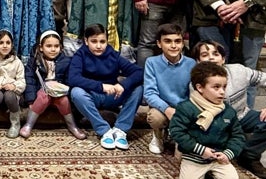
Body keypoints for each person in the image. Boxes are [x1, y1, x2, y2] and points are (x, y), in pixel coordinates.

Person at [192, 41, 266, 179]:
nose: (211, 58)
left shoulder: (239, 71)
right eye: (205, 55)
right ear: (198, 61)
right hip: (216, 124)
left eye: (215, 54)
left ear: (223, 59)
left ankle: (248, 156)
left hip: (242, 116)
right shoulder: (195, 83)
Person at [68, 24, 144, 150]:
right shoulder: (80, 55)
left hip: (113, 96)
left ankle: (120, 130)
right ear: (86, 41)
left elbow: (139, 72)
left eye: (102, 41)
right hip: (92, 96)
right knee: (76, 93)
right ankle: (104, 131)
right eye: (94, 41)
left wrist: (123, 84)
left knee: (138, 89)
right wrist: (101, 86)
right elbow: (73, 79)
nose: (98, 46)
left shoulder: (113, 55)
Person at [168, 62, 245, 179]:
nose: (222, 92)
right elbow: (177, 132)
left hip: (219, 159)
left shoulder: (228, 111)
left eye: (224, 87)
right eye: (216, 87)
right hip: (193, 158)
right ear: (199, 88)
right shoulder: (186, 108)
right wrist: (200, 150)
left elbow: (238, 136)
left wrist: (228, 153)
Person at [20, 30, 86, 140]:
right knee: (43, 95)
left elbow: (69, 80)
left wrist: (63, 89)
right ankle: (28, 124)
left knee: (64, 100)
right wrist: (30, 100)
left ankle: (72, 126)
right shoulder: (35, 61)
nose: (53, 49)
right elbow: (30, 80)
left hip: (58, 93)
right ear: (41, 47)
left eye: (56, 46)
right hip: (41, 92)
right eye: (49, 46)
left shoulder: (66, 61)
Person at [142, 23, 195, 155]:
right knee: (155, 118)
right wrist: (167, 109)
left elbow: (194, 93)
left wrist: (184, 112)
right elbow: (149, 93)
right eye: (168, 41)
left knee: (182, 155)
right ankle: (158, 135)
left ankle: (178, 133)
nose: (173, 45)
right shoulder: (152, 62)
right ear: (159, 44)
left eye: (177, 41)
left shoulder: (191, 63)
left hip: (184, 109)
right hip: (161, 108)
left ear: (183, 43)